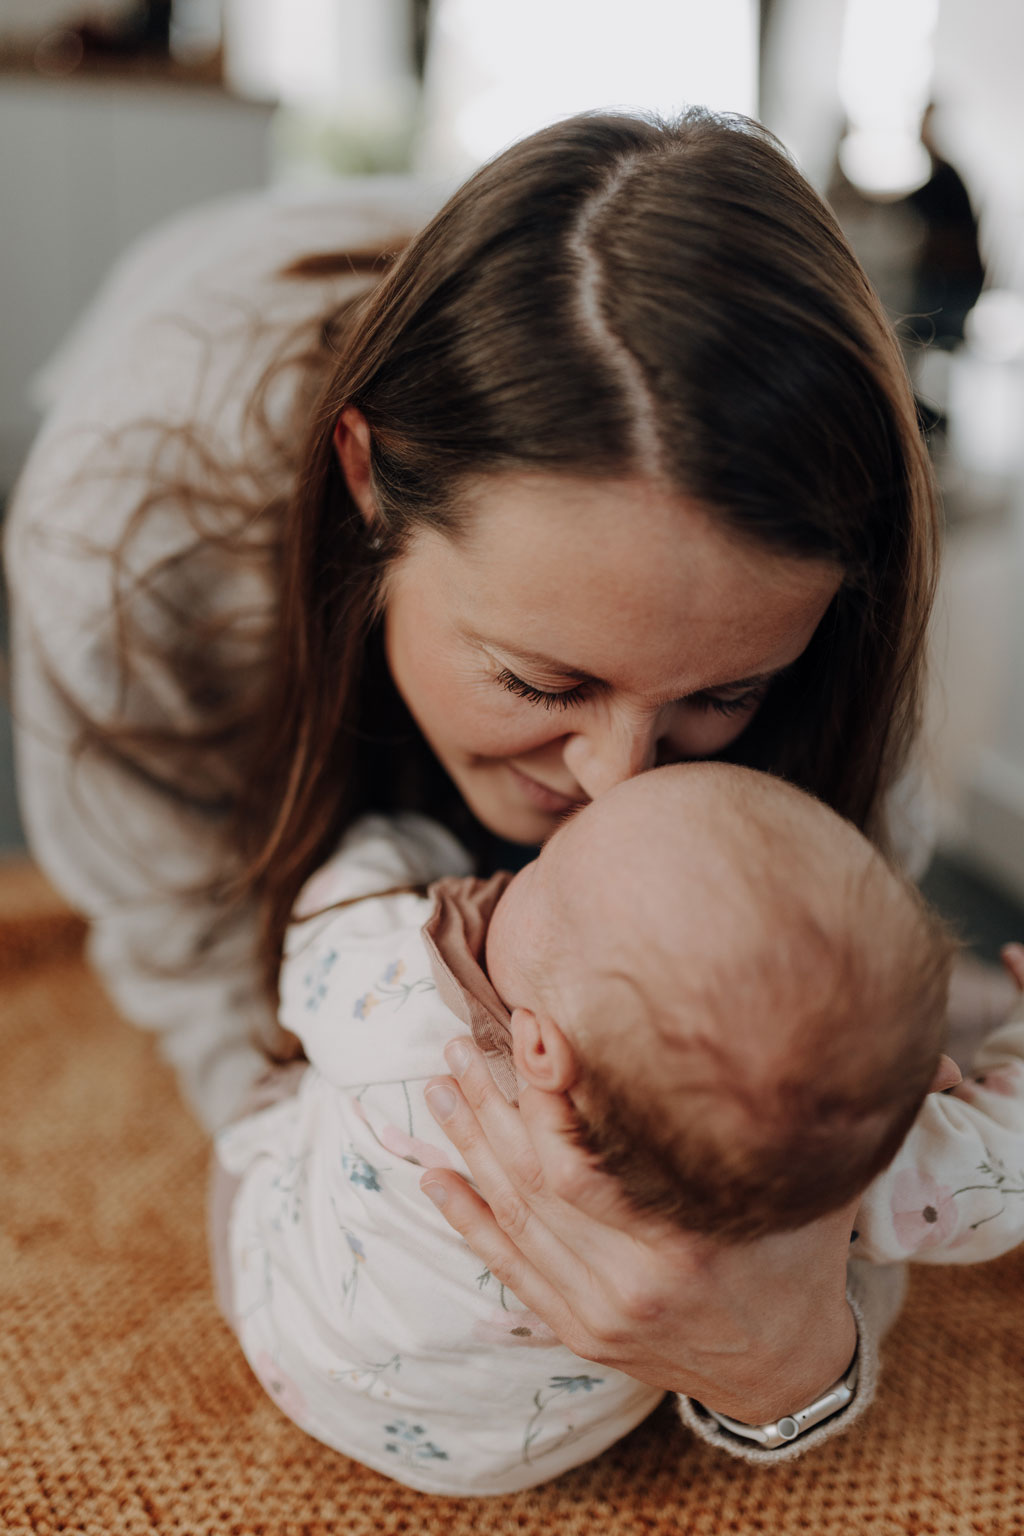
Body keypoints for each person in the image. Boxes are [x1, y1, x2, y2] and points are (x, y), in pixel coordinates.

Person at [3, 108, 949, 1445]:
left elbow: (820, 1033)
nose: (619, 789)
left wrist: (797, 1364)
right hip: (201, 355)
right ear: (365, 482)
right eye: (542, 682)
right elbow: (189, 957)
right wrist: (330, 1186)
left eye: (724, 694)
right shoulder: (135, 533)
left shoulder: (825, 596)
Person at [212, 762, 1024, 1493]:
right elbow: (1004, 1174)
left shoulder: (397, 1007)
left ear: (538, 1047)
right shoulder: (845, 1184)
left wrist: (398, 837)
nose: (523, 858)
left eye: (547, 867)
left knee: (274, 1131)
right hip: (525, 1453)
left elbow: (321, 927)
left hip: (289, 1329)